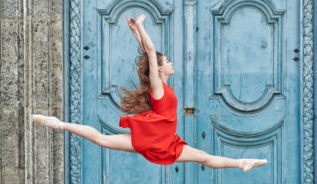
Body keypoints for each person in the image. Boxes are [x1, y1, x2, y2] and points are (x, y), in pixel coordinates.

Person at [33, 13, 267, 172]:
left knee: (204, 157)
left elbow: (148, 52)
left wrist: (136, 32)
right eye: (168, 62)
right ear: (161, 68)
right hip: (157, 140)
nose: (171, 63)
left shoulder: (162, 87)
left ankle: (242, 162)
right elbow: (152, 50)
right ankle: (59, 124)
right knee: (101, 139)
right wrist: (142, 27)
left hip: (162, 141)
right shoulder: (158, 88)